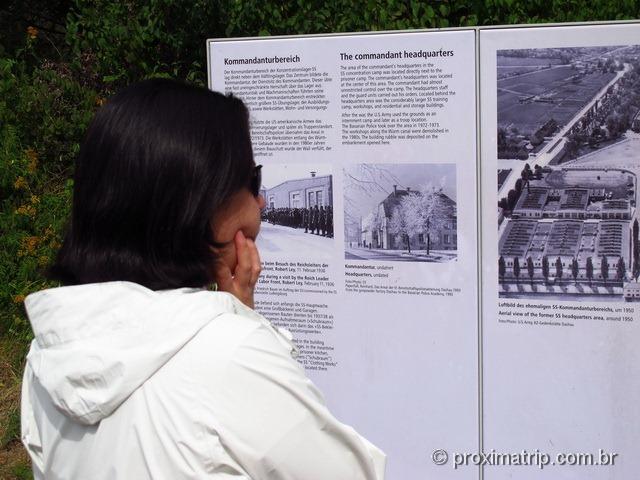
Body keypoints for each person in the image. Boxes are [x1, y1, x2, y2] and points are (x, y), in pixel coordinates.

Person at [20, 78, 385, 480]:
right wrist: (244, 328)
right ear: (199, 203)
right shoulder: (234, 357)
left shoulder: (48, 355)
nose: (261, 201)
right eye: (252, 181)